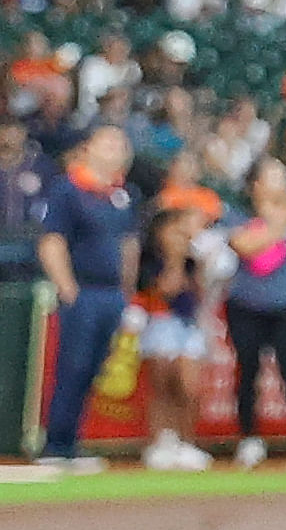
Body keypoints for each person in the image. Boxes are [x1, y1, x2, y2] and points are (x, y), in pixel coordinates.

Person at [30, 119, 133, 462]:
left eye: (119, 144)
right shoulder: (68, 189)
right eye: (108, 143)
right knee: (72, 366)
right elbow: (52, 241)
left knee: (94, 369)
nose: (115, 150)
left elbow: (127, 246)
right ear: (87, 148)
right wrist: (67, 288)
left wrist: (126, 293)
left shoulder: (120, 195)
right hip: (84, 291)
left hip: (110, 294)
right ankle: (56, 444)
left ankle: (72, 442)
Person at [217, 156, 286, 468]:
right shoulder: (236, 214)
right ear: (255, 185)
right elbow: (246, 246)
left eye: (283, 174)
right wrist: (282, 222)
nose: (281, 180)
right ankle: (249, 437)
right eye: (272, 175)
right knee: (247, 372)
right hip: (246, 305)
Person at [130, 178, 219, 469]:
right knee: (162, 383)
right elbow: (164, 287)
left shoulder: (194, 258)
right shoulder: (150, 260)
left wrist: (192, 257)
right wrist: (173, 258)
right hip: (158, 322)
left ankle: (186, 441)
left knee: (188, 385)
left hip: (187, 323)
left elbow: (198, 291)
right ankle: (160, 440)